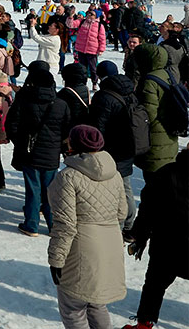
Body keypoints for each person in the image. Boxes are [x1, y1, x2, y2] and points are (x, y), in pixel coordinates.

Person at [47, 125, 128, 329]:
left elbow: (65, 224)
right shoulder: (114, 173)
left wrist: (56, 259)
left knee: (73, 308)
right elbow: (122, 213)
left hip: (81, 249)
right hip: (110, 245)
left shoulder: (68, 177)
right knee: (96, 302)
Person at [123, 148, 187, 329]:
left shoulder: (166, 172)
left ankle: (144, 323)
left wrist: (139, 236)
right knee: (154, 285)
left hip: (166, 245)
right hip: (169, 243)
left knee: (154, 286)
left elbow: (147, 211)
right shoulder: (166, 173)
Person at [7, 60, 71, 236]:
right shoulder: (60, 104)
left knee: (33, 188)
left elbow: (11, 123)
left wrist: (19, 141)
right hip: (51, 154)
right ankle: (53, 224)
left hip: (29, 151)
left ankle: (32, 224)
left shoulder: (24, 99)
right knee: (51, 190)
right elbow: (66, 129)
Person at [87, 61, 141, 235]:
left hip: (111, 148)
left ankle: (117, 224)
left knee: (112, 188)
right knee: (125, 185)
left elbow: (98, 126)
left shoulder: (103, 96)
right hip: (129, 144)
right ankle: (130, 222)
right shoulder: (129, 91)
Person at [133, 44, 179, 183]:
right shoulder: (167, 74)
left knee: (155, 183)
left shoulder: (149, 81)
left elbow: (149, 114)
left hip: (155, 139)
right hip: (170, 134)